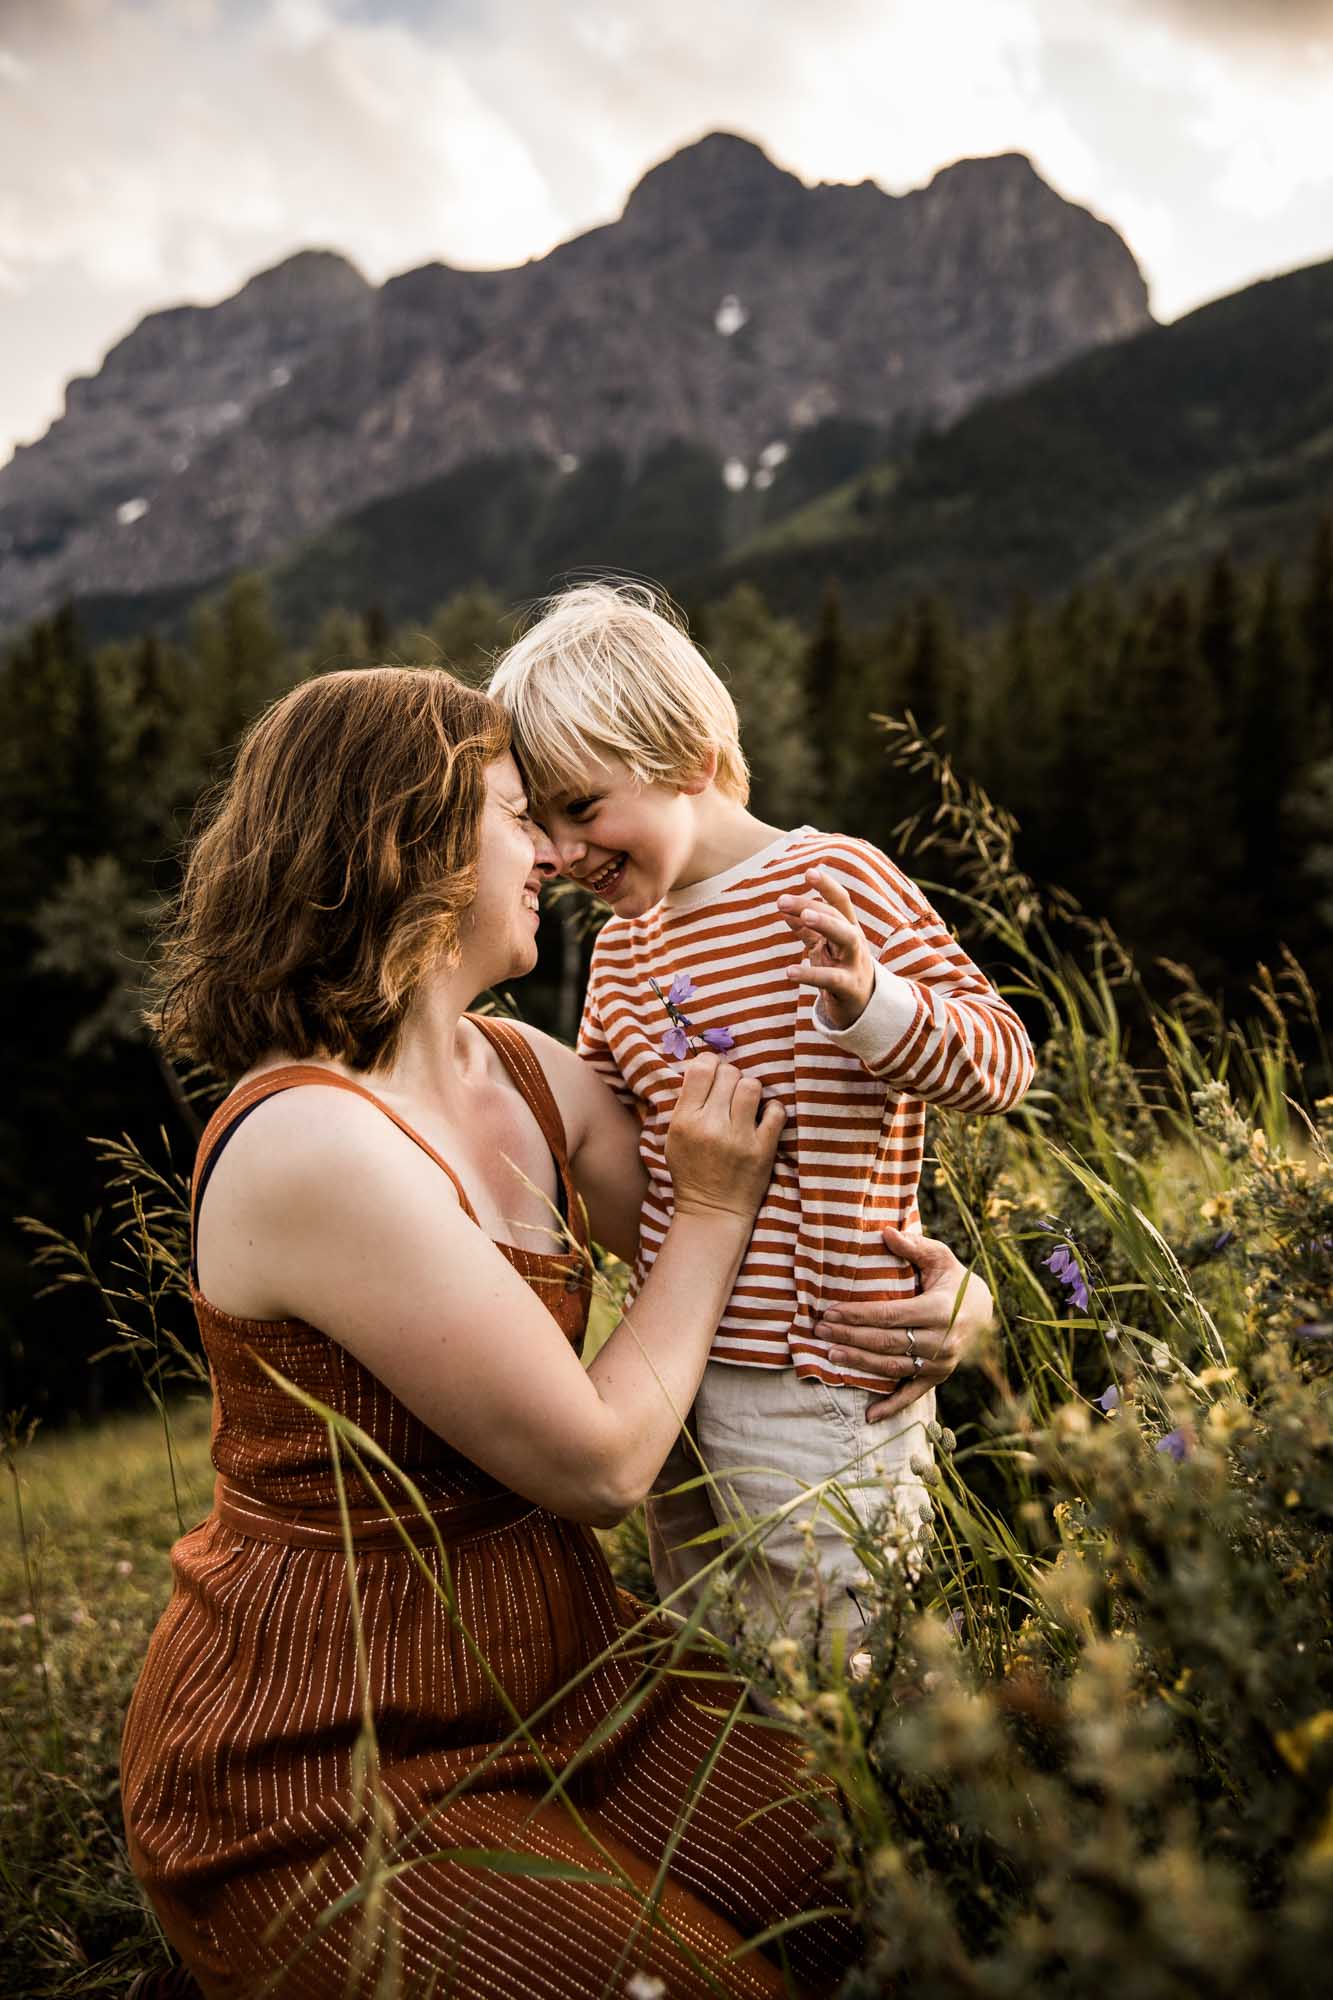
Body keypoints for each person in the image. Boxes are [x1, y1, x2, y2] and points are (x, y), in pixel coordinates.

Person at [121, 665, 994, 2000]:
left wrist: (952, 1305)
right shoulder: (309, 1139)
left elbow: (782, 1218)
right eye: (515, 816)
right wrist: (706, 1206)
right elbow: (599, 1465)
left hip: (575, 1685)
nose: (552, 853)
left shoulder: (522, 1071)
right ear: (406, 844)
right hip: (332, 1754)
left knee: (906, 1869)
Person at [489, 583, 1035, 1653]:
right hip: (674, 1374)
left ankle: (884, 1821)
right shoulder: (620, 948)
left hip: (821, 1375)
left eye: (582, 807)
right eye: (537, 823)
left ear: (687, 757)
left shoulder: (833, 879)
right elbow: (605, 1147)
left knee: (842, 1659)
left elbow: (999, 1060)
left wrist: (876, 1007)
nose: (560, 853)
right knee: (710, 1656)